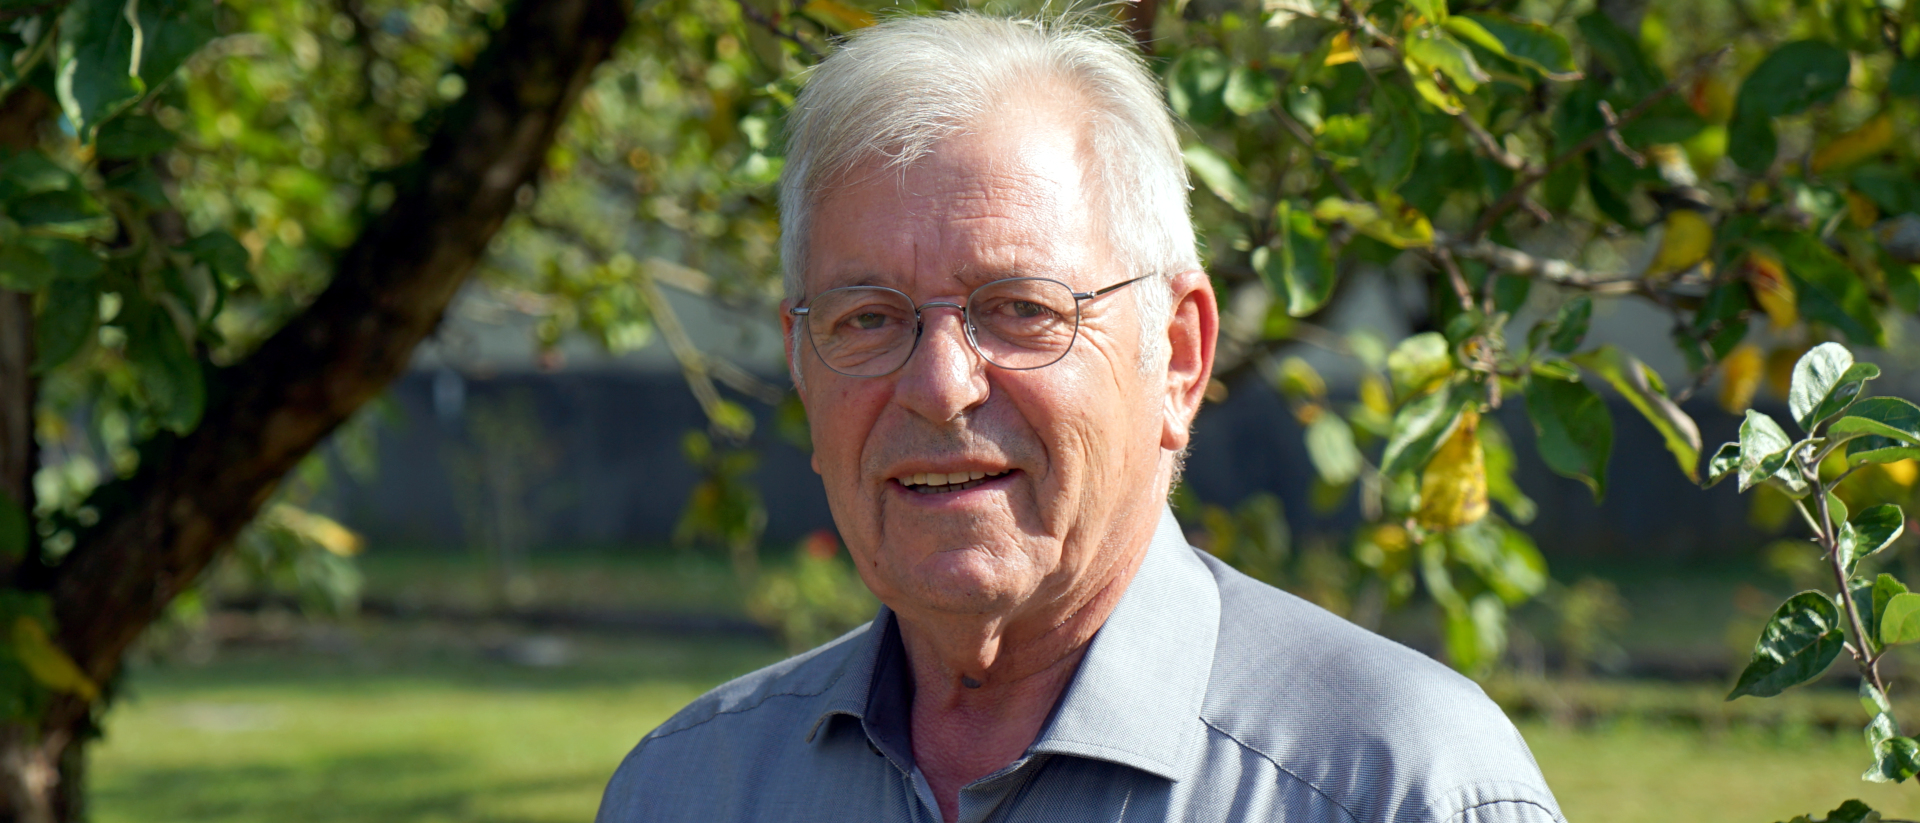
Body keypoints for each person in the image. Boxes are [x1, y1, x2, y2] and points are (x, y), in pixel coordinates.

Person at [596, 13, 1564, 823]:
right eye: (868, 318)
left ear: (1178, 356)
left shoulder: (1401, 787)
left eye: (1021, 309)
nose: (941, 384)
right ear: (803, 368)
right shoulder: (684, 790)